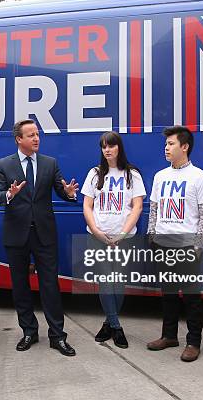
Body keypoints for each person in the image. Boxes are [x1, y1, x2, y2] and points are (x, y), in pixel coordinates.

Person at [0, 119, 79, 356]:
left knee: (50, 285)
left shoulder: (50, 163)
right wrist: (9, 194)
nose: (36, 138)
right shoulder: (4, 165)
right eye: (30, 135)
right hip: (16, 234)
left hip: (44, 234)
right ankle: (29, 331)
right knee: (20, 286)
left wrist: (69, 194)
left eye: (37, 134)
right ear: (19, 139)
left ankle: (57, 336)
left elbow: (62, 190)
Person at [146, 126, 203, 362]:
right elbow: (153, 208)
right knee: (168, 294)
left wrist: (198, 246)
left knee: (192, 297)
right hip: (163, 243)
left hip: (187, 246)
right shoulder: (160, 176)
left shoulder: (200, 177)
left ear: (184, 147)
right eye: (165, 144)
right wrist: (151, 235)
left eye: (171, 144)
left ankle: (193, 342)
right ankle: (169, 336)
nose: (166, 148)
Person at [81, 132, 146, 348]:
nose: (107, 150)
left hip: (124, 238)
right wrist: (96, 230)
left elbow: (137, 206)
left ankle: (109, 323)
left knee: (118, 282)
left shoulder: (132, 174)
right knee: (105, 281)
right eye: (103, 147)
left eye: (111, 146)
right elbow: (87, 205)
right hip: (98, 237)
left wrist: (123, 234)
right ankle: (116, 326)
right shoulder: (95, 173)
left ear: (119, 148)